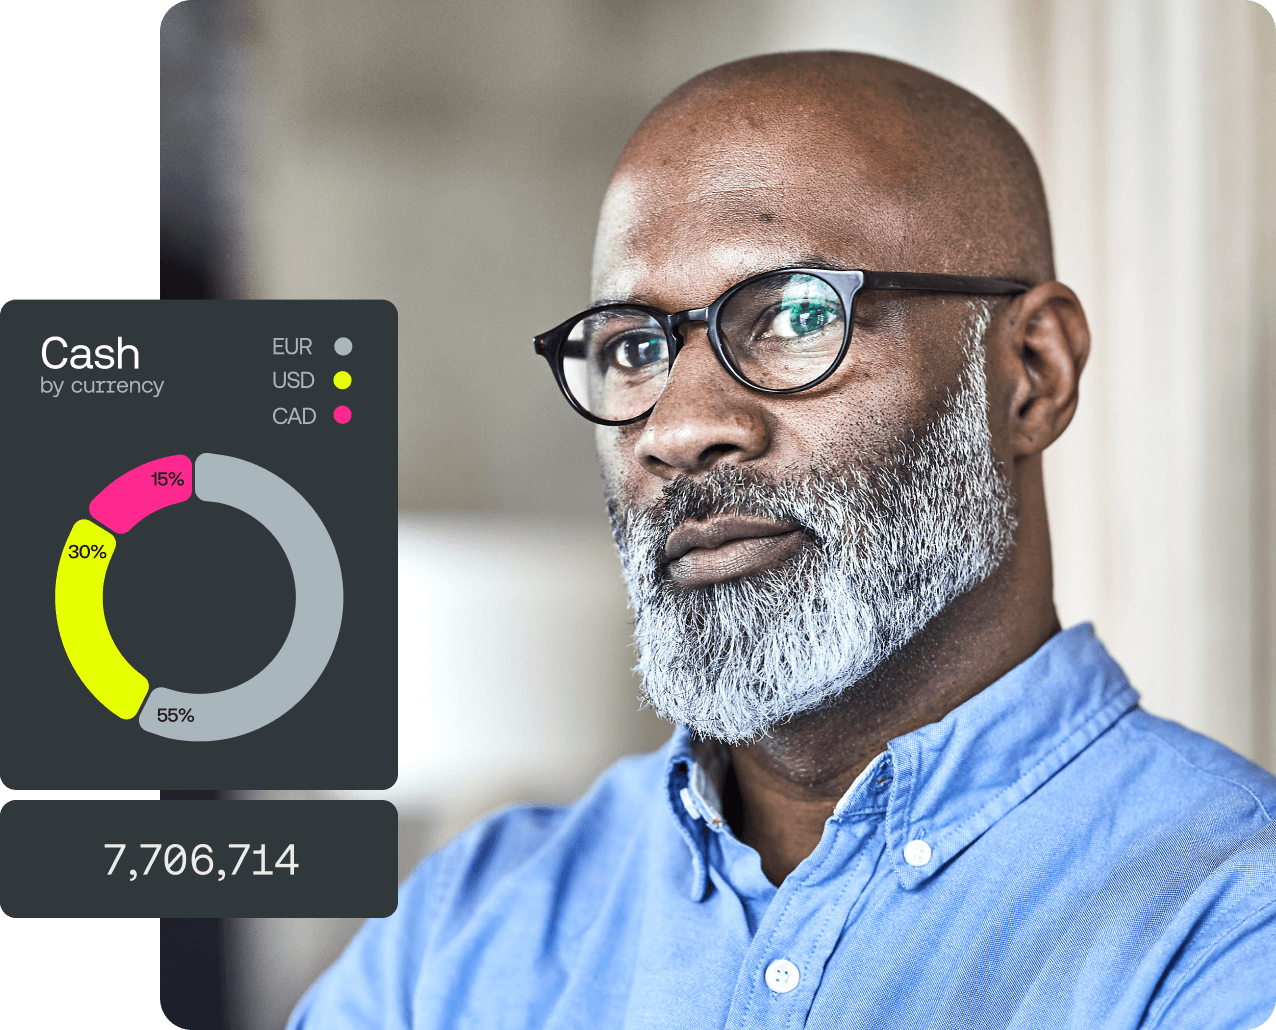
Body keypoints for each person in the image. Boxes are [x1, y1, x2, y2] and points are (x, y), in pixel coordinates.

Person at [289, 52, 1276, 1029]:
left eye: (796, 316)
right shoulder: (463, 926)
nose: (677, 429)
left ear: (1031, 370)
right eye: (634, 347)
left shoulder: (1233, 918)